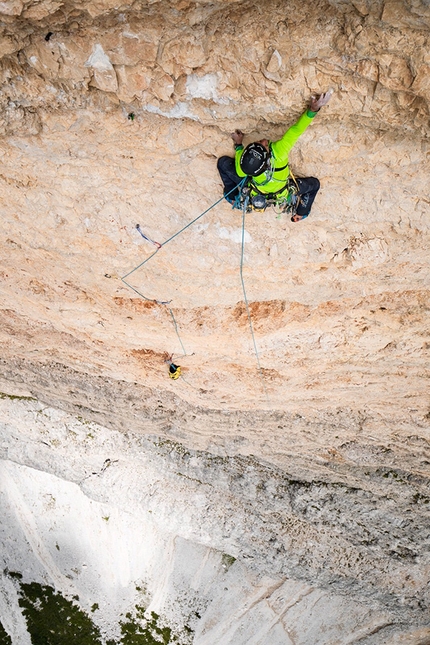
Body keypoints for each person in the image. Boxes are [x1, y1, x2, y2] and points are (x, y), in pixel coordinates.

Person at [217, 90, 332, 222]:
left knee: (223, 163)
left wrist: (238, 145)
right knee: (314, 185)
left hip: (256, 192)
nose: (263, 141)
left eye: (259, 144)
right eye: (263, 145)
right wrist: (313, 109)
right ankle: (301, 212)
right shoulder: (279, 152)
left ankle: (233, 198)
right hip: (283, 192)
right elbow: (295, 131)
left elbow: (239, 169)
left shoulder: (244, 168)